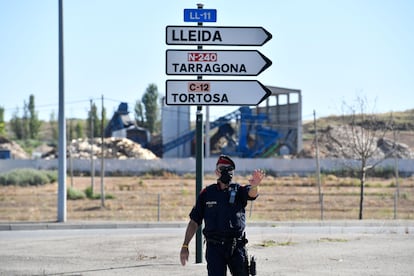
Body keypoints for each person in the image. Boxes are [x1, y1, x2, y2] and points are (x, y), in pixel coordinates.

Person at [180, 155, 265, 275]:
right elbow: (194, 221)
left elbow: (251, 194)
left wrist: (255, 185)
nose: (226, 171)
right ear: (216, 172)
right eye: (222, 168)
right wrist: (185, 245)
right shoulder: (207, 193)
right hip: (214, 248)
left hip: (236, 247)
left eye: (229, 168)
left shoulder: (239, 190)